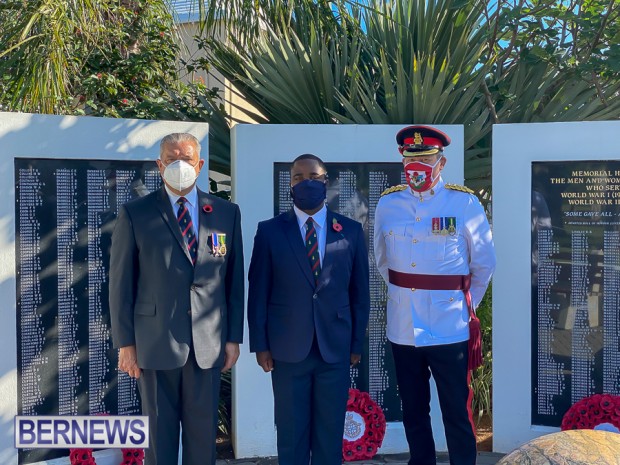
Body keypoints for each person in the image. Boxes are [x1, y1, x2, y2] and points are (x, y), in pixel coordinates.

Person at [109, 133, 244, 465]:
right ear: (159, 165)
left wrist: (233, 339)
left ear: (199, 165)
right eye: (172, 159)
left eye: (186, 159)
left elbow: (234, 282)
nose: (179, 165)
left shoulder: (225, 213)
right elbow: (121, 285)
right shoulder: (136, 213)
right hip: (155, 343)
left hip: (207, 344)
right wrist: (126, 343)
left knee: (203, 441)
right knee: (159, 441)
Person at [374, 125, 496, 465]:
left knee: (456, 410)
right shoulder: (388, 204)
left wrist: (460, 306)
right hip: (403, 327)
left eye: (426, 158)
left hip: (450, 326)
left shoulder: (464, 203)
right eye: (412, 159)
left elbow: (483, 266)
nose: (418, 166)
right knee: (413, 409)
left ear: (440, 163)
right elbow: (383, 262)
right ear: (403, 161)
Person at [248, 153, 370, 465]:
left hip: (335, 350)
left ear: (325, 181)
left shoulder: (351, 231)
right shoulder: (271, 231)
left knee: (329, 436)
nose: (307, 183)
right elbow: (258, 292)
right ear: (289, 185)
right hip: (288, 351)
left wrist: (356, 344)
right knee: (291, 434)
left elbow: (360, 293)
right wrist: (260, 345)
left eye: (314, 176)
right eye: (298, 177)